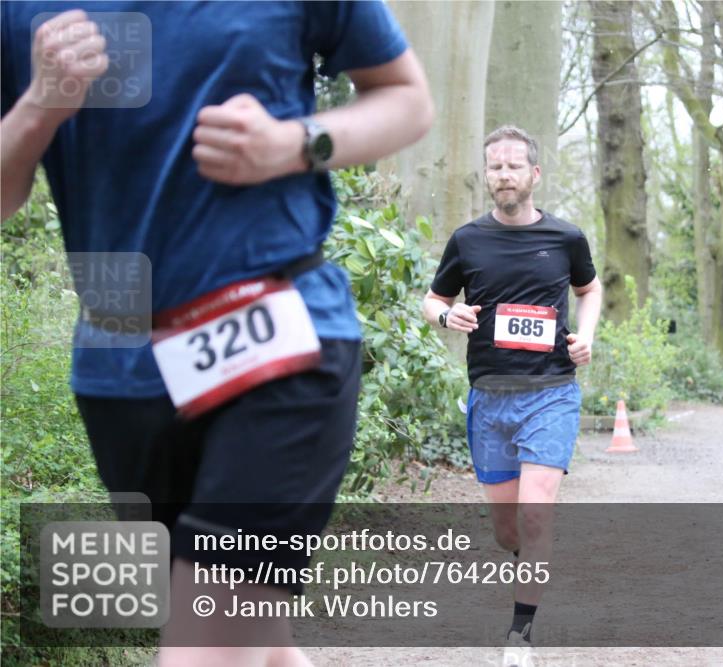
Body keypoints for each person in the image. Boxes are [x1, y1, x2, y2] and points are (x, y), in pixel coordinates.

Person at [1, 3, 432, 666]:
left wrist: (294, 144)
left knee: (203, 650)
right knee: (256, 645)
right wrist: (38, 105)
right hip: (122, 371)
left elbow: (407, 99)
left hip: (280, 347)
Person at [421, 125, 602, 665]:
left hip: (550, 394)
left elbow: (588, 290)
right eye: (494, 166)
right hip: (490, 399)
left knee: (536, 514)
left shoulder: (566, 238)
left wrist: (587, 335)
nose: (503, 174)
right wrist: (447, 315)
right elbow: (432, 299)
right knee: (508, 531)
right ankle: (529, 560)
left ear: (534, 174)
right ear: (487, 174)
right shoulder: (467, 239)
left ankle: (520, 636)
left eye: (513, 166)